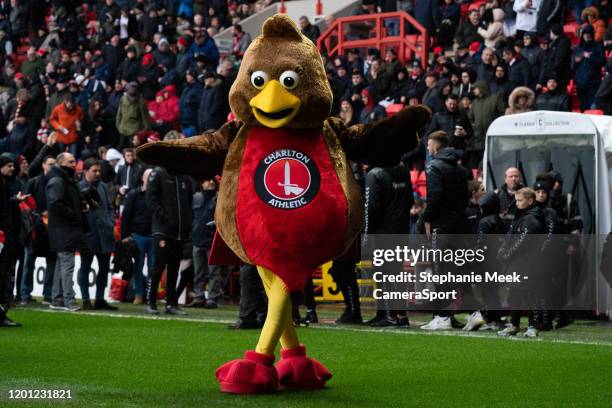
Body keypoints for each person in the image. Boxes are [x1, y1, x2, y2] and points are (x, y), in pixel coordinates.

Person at [420, 131, 469, 330]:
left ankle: (442, 316)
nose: (428, 149)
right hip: (459, 225)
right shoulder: (460, 169)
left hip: (442, 226)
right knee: (453, 272)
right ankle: (450, 315)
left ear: (436, 146)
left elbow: (435, 195)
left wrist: (427, 218)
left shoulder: (434, 166)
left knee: (440, 272)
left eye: (429, 145)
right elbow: (465, 196)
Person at [363, 160, 414, 327]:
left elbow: (371, 208)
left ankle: (388, 314)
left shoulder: (375, 174)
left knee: (383, 272)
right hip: (401, 229)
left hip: (383, 232)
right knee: (396, 272)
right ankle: (398, 313)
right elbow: (410, 201)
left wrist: (367, 235)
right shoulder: (403, 169)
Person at [145, 161, 193, 315]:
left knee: (174, 268)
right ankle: (151, 301)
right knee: (158, 266)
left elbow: (188, 202)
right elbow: (151, 200)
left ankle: (171, 304)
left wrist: (185, 223)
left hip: (179, 231)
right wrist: (165, 219)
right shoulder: (158, 173)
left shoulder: (184, 177)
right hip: (163, 230)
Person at [497, 187, 545, 337]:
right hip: (519, 263)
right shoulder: (521, 216)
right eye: (516, 200)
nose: (516, 203)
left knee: (530, 293)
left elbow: (523, 241)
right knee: (515, 293)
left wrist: (507, 254)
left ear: (530, 201)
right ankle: (515, 324)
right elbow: (511, 237)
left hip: (529, 263)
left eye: (520, 200)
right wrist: (503, 250)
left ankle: (533, 326)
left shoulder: (531, 218)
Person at [77, 158, 117, 310]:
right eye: (94, 171)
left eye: (99, 171)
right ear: (86, 171)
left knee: (104, 268)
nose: (98, 173)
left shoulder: (103, 187)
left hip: (104, 233)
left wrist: (110, 222)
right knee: (85, 266)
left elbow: (110, 207)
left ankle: (100, 299)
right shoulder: (78, 188)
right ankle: (86, 300)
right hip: (88, 234)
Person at [45, 153, 83, 312]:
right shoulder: (59, 180)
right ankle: (69, 300)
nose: (74, 164)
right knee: (67, 265)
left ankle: (57, 299)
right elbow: (55, 204)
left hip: (62, 229)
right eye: (71, 162)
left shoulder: (62, 179)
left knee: (61, 265)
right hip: (64, 229)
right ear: (61, 163)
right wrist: (75, 214)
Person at [186, 178, 227, 309]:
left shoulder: (219, 198)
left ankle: (212, 298)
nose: (210, 182)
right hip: (197, 240)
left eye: (212, 180)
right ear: (201, 183)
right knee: (199, 271)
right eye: (207, 180)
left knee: (214, 272)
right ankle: (199, 297)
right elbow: (190, 217)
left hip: (212, 241)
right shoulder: (195, 198)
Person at [22, 155, 56, 304]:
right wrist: (39, 215)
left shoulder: (58, 183)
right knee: (29, 262)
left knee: (51, 262)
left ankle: (48, 295)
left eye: (55, 164)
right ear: (43, 165)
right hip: (35, 229)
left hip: (52, 229)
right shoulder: (33, 182)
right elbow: (24, 205)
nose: (52, 167)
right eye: (50, 164)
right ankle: (25, 294)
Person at [0, 153, 28, 327]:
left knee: (6, 274)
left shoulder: (7, 184)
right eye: (9, 165)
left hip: (9, 234)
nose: (12, 168)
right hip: (3, 234)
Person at [121, 168, 154, 305]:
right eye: (149, 176)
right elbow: (126, 215)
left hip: (154, 235)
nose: (152, 179)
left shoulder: (159, 195)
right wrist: (125, 235)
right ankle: (138, 294)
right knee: (138, 267)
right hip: (137, 235)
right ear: (143, 178)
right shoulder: (134, 194)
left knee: (154, 268)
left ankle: (150, 295)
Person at [466, 81, 506, 169]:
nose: (474, 91)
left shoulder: (495, 98)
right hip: (479, 137)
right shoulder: (475, 102)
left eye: (475, 88)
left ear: (481, 88)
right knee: (481, 160)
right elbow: (470, 117)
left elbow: (503, 113)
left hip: (494, 136)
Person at [572, 25, 605, 111]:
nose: (586, 35)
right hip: (580, 84)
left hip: (593, 83)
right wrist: (576, 61)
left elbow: (602, 61)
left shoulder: (598, 46)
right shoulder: (577, 48)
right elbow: (571, 65)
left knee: (592, 108)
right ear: (582, 35)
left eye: (588, 33)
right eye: (585, 33)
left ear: (592, 34)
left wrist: (589, 57)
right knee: (583, 108)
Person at [115, 82, 150, 149]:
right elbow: (119, 113)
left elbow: (145, 117)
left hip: (134, 130)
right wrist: (118, 125)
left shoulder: (141, 101)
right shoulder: (123, 98)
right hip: (123, 128)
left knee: (133, 149)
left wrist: (145, 129)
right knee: (121, 147)